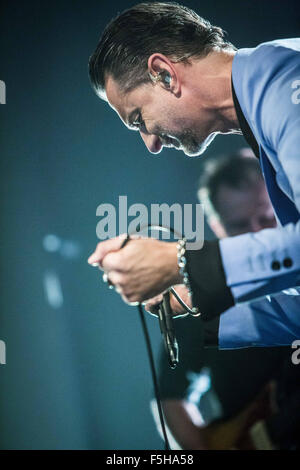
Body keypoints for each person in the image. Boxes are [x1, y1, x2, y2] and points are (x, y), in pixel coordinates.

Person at [87, 2, 300, 346]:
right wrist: (194, 296)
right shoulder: (269, 93)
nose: (151, 143)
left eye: (139, 119)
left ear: (164, 74)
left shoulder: (287, 82)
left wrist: (182, 261)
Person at [152, 152, 295, 450]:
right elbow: (170, 397)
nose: (257, 234)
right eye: (241, 225)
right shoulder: (200, 301)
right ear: (217, 228)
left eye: (267, 218)